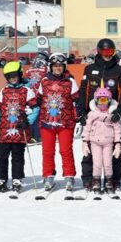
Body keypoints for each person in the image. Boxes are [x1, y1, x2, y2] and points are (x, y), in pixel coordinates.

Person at [77, 38, 121, 193]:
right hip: (92, 115)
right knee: (89, 150)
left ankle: (114, 180)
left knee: (113, 150)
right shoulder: (89, 69)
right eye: (105, 52)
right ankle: (89, 180)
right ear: (99, 52)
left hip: (110, 116)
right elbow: (84, 91)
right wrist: (81, 111)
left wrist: (119, 111)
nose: (107, 55)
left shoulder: (119, 70)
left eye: (110, 52)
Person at [0, 61, 38, 193]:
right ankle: (1, 179)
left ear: (20, 74)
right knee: (1, 155)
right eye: (9, 76)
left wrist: (27, 122)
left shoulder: (26, 90)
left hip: (19, 129)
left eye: (15, 75)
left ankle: (17, 179)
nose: (12, 78)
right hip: (5, 130)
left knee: (17, 156)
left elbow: (35, 108)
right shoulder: (4, 91)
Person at [37, 52, 79, 192]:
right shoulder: (44, 81)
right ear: (50, 67)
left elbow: (77, 100)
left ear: (64, 66)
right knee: (48, 150)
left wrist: (79, 117)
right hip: (47, 121)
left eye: (60, 65)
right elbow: (39, 99)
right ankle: (48, 175)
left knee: (65, 150)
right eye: (55, 65)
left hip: (65, 122)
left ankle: (69, 175)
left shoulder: (70, 81)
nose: (58, 68)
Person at [81, 88, 121, 194]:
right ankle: (96, 181)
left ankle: (109, 181)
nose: (103, 103)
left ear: (109, 101)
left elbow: (117, 130)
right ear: (96, 100)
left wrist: (117, 144)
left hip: (108, 142)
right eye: (100, 100)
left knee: (108, 163)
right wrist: (85, 142)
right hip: (95, 142)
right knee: (97, 163)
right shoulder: (92, 114)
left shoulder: (113, 115)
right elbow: (86, 128)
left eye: (105, 100)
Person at [25, 50, 51, 143]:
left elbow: (27, 80)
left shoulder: (30, 68)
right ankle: (37, 136)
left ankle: (30, 135)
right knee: (40, 115)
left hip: (30, 95)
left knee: (32, 115)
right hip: (41, 95)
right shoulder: (46, 68)